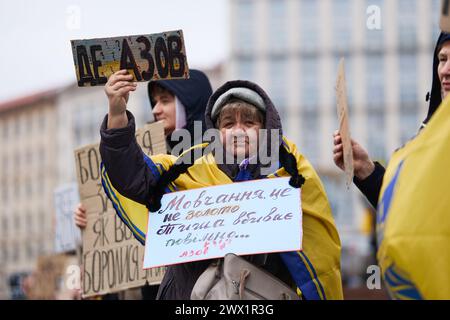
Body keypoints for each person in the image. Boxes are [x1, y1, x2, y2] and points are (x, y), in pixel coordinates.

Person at [99, 70, 343, 300]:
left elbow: (321, 265)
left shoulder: (293, 174)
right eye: (228, 124)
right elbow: (132, 175)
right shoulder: (188, 168)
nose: (238, 131)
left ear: (266, 128)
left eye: (249, 123)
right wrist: (117, 114)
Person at [73, 69, 213, 299]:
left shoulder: (217, 157)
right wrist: (92, 223)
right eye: (154, 101)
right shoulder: (142, 154)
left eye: (165, 101)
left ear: (191, 101)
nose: (156, 109)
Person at [333, 32, 450, 209]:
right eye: (442, 59)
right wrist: (366, 170)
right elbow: (407, 208)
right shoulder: (429, 134)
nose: (446, 70)